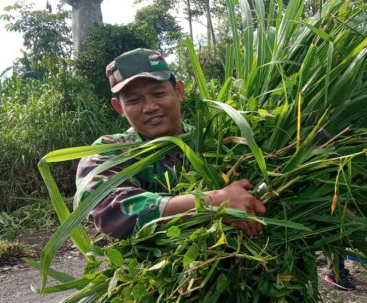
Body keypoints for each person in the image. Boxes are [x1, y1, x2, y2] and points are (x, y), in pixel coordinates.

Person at [75, 48, 266, 240]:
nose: (150, 107)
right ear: (119, 108)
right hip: (145, 268)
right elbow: (108, 208)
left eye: (158, 94)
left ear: (179, 91)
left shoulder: (217, 142)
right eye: (134, 100)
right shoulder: (109, 151)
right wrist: (214, 202)